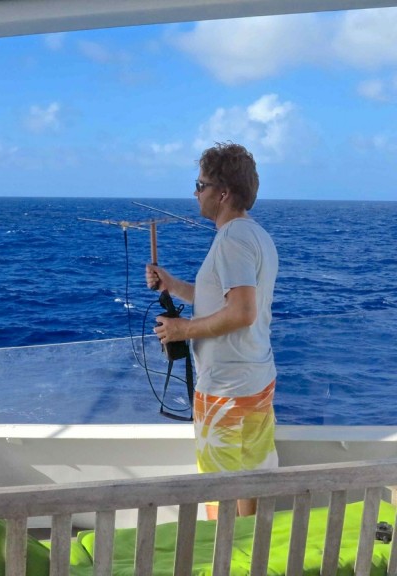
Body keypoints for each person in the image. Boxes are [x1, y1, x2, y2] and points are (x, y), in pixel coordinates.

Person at [146, 142, 278, 520]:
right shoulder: (255, 236)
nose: (195, 192)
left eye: (200, 185)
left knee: (218, 485)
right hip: (254, 378)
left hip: (225, 389)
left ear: (222, 194)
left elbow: (240, 312)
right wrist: (173, 285)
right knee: (251, 475)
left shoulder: (232, 239)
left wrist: (181, 330)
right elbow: (222, 302)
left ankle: (222, 557)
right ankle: (249, 550)